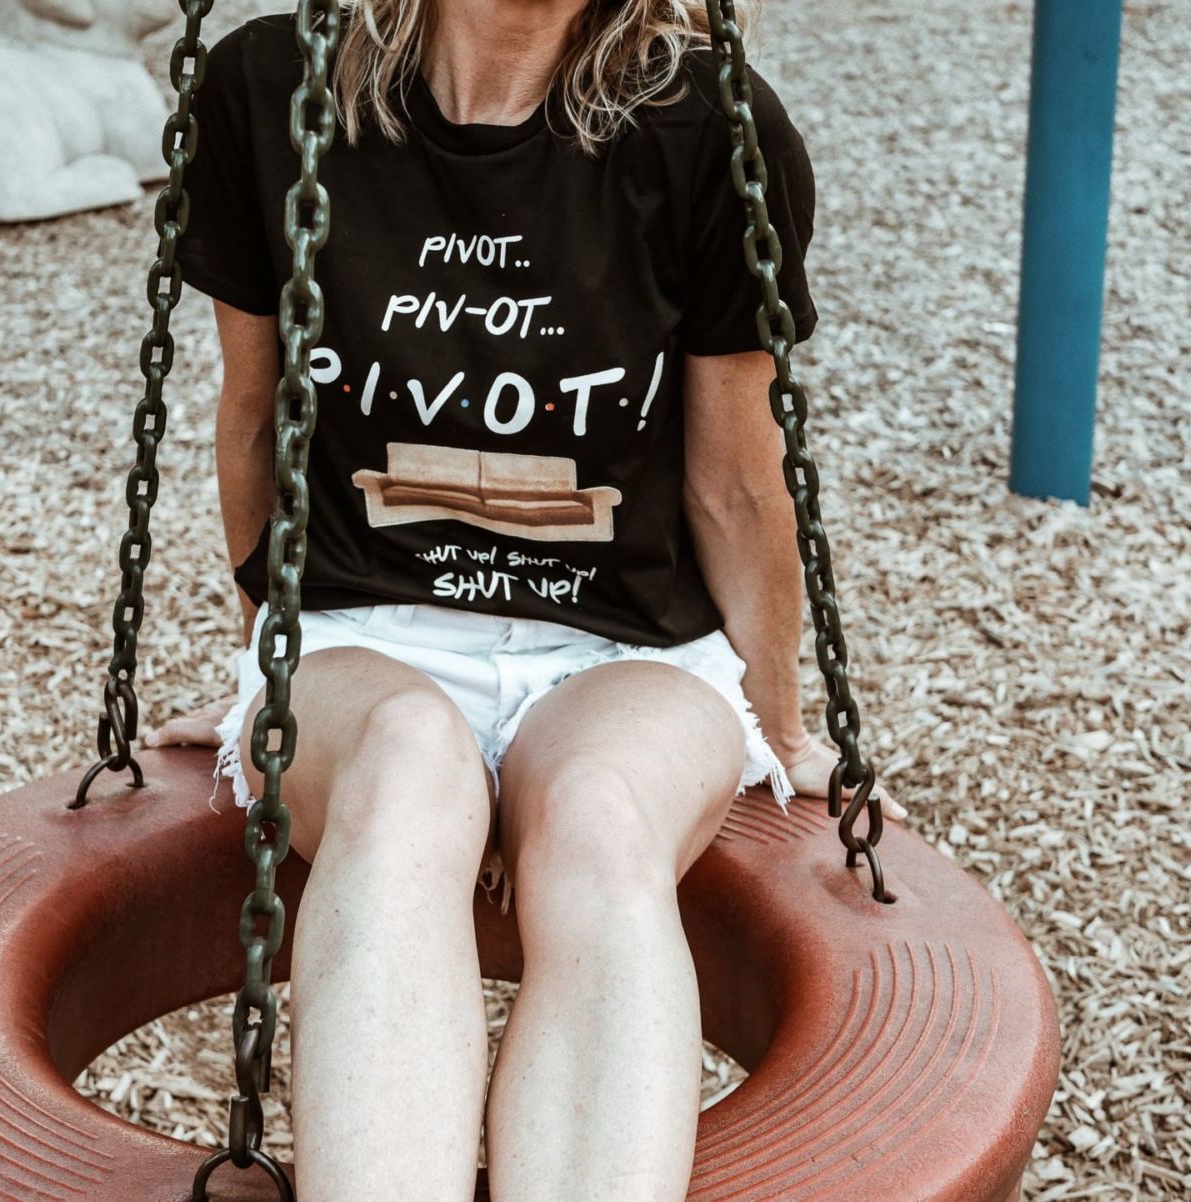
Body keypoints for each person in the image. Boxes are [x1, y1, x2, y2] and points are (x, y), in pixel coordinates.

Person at [148, 2, 904, 1198]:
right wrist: (271, 664)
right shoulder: (270, 89)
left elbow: (736, 485)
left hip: (628, 652)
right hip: (362, 630)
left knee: (601, 813)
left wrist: (787, 725)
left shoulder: (708, 126)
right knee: (404, 765)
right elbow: (254, 418)